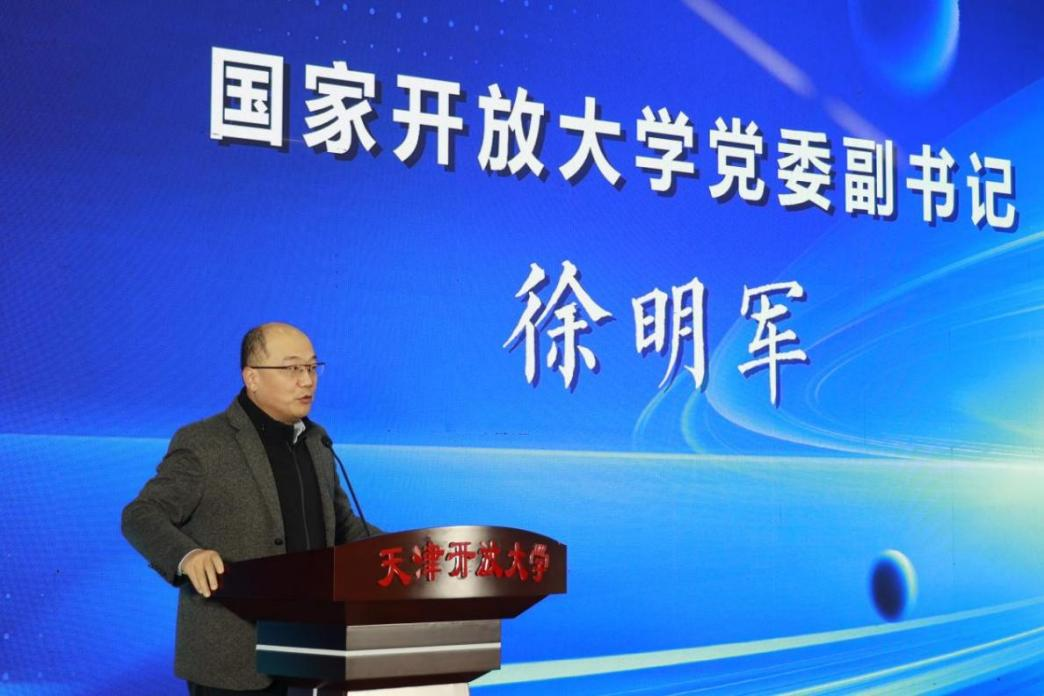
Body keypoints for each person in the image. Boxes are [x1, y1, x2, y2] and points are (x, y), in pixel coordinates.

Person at [122, 323, 376, 695]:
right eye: (292, 368)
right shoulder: (204, 443)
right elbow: (141, 514)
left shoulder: (317, 441)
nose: (307, 381)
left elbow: (343, 526)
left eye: (312, 367)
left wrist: (413, 552)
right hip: (234, 660)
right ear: (252, 377)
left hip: (312, 651)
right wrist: (187, 556)